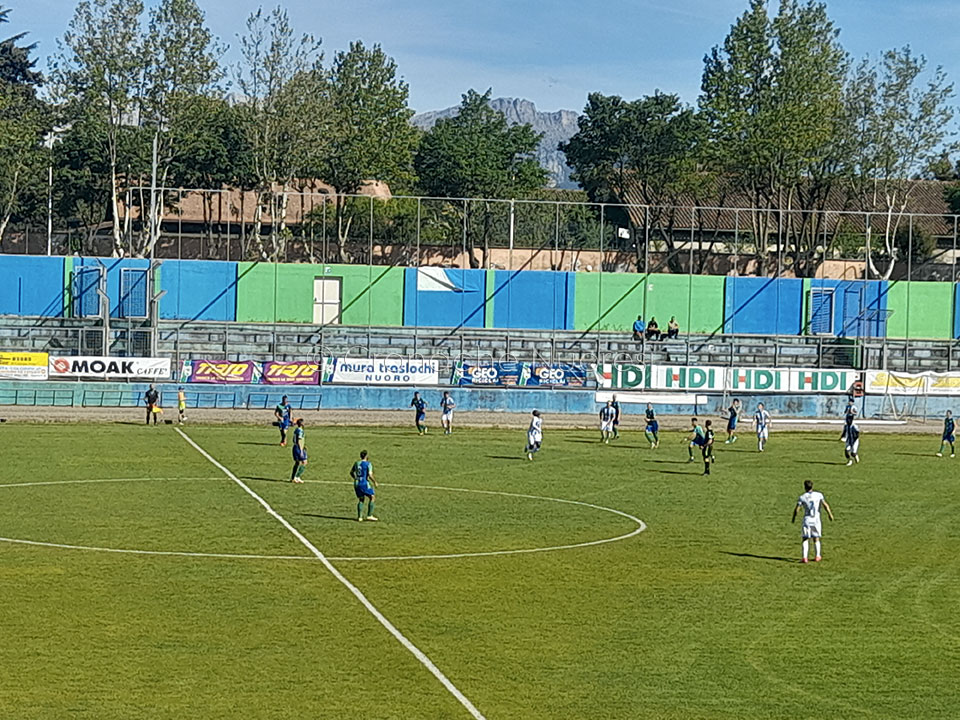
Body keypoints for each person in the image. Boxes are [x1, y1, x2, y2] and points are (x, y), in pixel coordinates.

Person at [792, 479, 835, 563]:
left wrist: (794, 517)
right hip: (816, 519)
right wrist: (830, 514)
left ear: (804, 487)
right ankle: (817, 556)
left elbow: (797, 509)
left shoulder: (802, 497)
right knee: (816, 538)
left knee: (805, 538)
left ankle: (805, 557)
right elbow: (825, 505)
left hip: (807, 519)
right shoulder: (818, 495)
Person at [351, 450, 378, 522]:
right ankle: (369, 515)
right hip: (364, 483)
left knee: (361, 499)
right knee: (372, 497)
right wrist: (375, 482)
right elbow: (370, 474)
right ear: (366, 456)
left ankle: (360, 517)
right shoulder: (368, 464)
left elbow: (351, 472)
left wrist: (355, 478)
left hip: (356, 483)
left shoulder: (356, 463)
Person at [290, 418, 307, 484]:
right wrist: (301, 450)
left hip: (296, 447)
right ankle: (297, 477)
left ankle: (293, 477)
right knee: (304, 462)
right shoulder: (300, 431)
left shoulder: (297, 430)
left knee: (297, 463)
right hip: (298, 448)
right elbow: (299, 440)